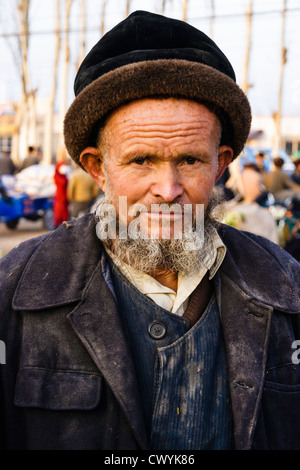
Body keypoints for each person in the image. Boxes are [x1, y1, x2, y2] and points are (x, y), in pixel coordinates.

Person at [0, 11, 300, 451]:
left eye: (190, 161)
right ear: (97, 167)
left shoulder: (284, 283)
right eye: (142, 161)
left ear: (221, 163)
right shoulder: (17, 288)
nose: (168, 190)